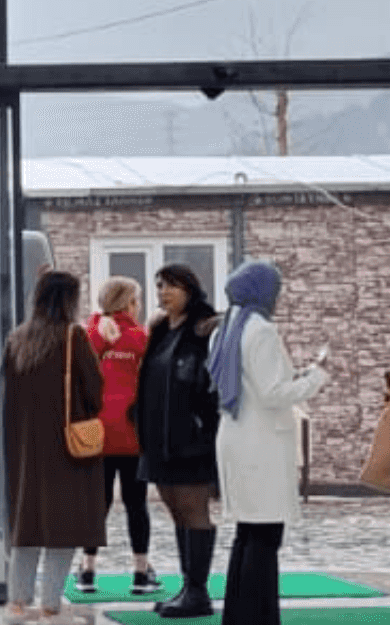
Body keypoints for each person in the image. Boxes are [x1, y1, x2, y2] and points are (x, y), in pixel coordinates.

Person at [208, 260, 330, 625]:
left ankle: (242, 614)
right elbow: (273, 392)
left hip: (236, 436)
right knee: (264, 536)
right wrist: (319, 376)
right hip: (259, 442)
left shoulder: (225, 328)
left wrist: (300, 373)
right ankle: (258, 617)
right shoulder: (258, 330)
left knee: (248, 533)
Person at [1, 270, 105, 625]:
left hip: (25, 449)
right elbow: (95, 392)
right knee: (64, 526)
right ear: (68, 300)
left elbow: (7, 398)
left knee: (26, 526)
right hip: (66, 450)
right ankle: (50, 605)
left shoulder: (16, 339)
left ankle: (17, 603)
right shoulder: (73, 338)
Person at [136, 265, 221, 618]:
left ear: (190, 289)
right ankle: (188, 586)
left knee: (193, 509)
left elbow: (213, 384)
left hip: (192, 439)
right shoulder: (160, 330)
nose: (163, 292)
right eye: (159, 286)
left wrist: (204, 426)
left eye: (171, 285)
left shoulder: (205, 327)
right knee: (174, 508)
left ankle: (199, 593)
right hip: (159, 439)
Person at [75, 277, 158, 596]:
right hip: (132, 434)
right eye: (136, 301)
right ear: (128, 304)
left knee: (98, 503)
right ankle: (140, 573)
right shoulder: (140, 338)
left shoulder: (88, 335)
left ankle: (88, 570)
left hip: (95, 434)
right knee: (137, 504)